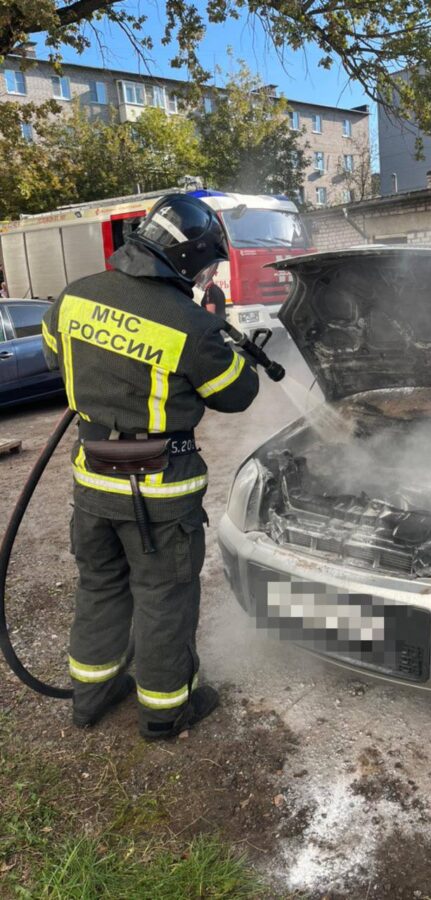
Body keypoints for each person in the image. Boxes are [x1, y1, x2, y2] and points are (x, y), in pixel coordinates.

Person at [41, 193, 260, 740]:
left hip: (91, 480)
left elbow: (54, 354)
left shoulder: (74, 297)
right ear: (185, 258)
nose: (208, 271)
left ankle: (91, 696)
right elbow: (237, 394)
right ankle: (165, 712)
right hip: (159, 494)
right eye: (207, 262)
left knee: (100, 586)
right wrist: (225, 345)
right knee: (164, 600)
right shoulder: (189, 324)